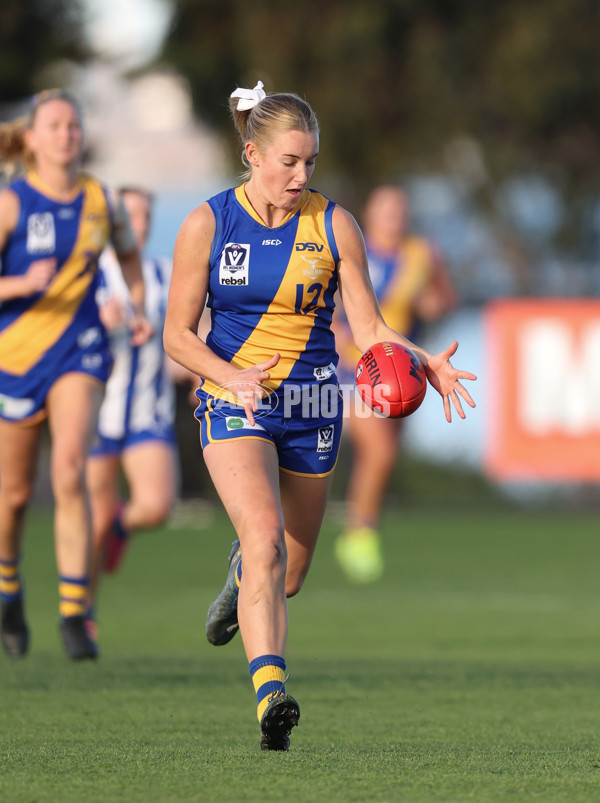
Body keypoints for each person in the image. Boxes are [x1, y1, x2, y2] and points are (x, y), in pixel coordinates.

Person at [163, 80, 476, 751]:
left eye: (310, 163)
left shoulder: (333, 223)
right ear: (252, 153)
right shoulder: (208, 224)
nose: (301, 175)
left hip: (312, 403)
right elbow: (177, 335)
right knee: (265, 539)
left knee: (290, 573)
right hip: (233, 401)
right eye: (289, 162)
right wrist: (227, 376)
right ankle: (270, 692)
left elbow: (367, 325)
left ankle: (240, 578)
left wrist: (424, 360)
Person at [0, 89, 152, 660]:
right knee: (13, 497)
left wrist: (134, 304)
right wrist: (18, 285)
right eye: (55, 126)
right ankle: (9, 591)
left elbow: (130, 255)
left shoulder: (100, 199)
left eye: (73, 125)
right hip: (15, 360)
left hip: (81, 351)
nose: (66, 134)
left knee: (69, 470)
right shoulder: (12, 205)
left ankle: (72, 612)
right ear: (33, 138)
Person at [333, 184, 458, 582]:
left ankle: (359, 524)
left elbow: (444, 297)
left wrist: (432, 303)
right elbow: (330, 305)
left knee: (383, 456)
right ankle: (358, 535)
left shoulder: (423, 254)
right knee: (380, 452)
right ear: (369, 213)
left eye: (399, 208)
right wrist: (337, 334)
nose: (394, 215)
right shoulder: (356, 252)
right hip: (357, 368)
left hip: (407, 370)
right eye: (385, 208)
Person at [85, 187, 180, 632]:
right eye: (129, 215)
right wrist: (94, 326)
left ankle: (121, 528)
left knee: (157, 505)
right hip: (92, 417)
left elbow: (190, 334)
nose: (136, 224)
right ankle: (81, 612)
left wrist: (201, 374)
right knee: (91, 523)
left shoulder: (166, 274)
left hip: (147, 411)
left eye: (144, 215)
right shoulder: (88, 276)